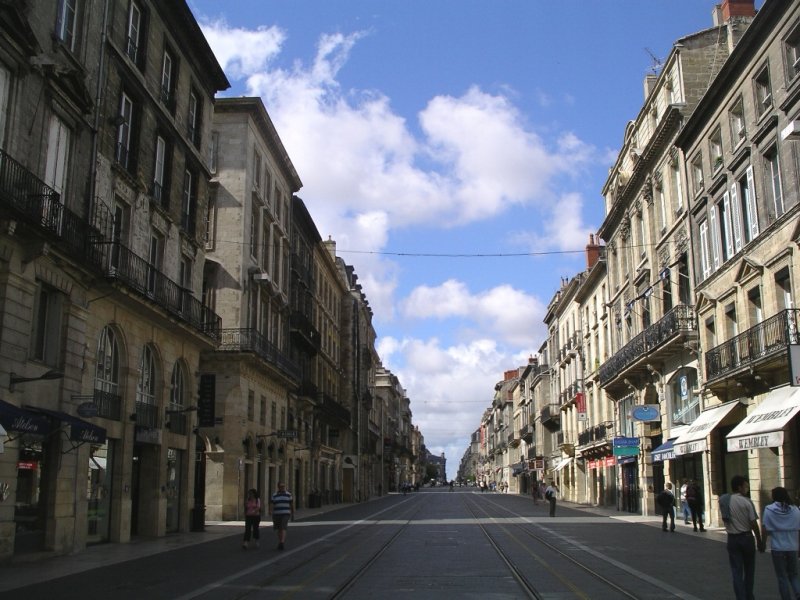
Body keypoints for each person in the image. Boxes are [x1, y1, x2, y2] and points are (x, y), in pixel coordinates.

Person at [719, 475, 765, 600]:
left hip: (732, 539)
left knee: (736, 571)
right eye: (745, 486)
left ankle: (740, 597)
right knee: (749, 570)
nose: (747, 489)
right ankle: (749, 595)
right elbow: (753, 523)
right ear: (739, 487)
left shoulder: (724, 500)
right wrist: (759, 540)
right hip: (746, 538)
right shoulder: (747, 502)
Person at [761, 486, 800, 600]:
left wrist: (763, 544)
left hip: (777, 548)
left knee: (782, 577)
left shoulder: (769, 509)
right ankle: (798, 593)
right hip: (792, 547)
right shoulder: (795, 510)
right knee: (793, 575)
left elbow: (764, 529)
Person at [268, 481, 294, 551]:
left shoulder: (288, 495)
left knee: (283, 527)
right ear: (278, 487)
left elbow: (291, 504)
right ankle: (280, 542)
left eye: (283, 486)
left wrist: (292, 512)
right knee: (279, 529)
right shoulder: (275, 495)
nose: (282, 488)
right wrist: (270, 510)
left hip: (286, 513)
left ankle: (282, 542)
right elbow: (272, 503)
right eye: (281, 486)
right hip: (277, 514)